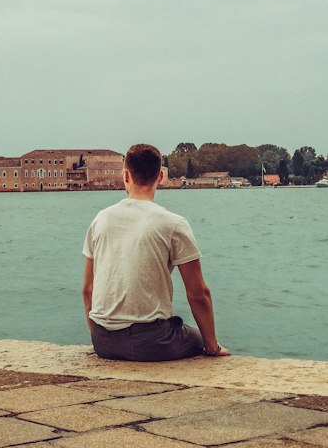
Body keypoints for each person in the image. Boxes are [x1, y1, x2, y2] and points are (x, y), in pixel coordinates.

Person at [82, 143, 230, 361]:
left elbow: (87, 289)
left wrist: (99, 337)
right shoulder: (173, 223)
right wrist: (212, 346)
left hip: (103, 341)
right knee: (197, 338)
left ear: (125, 175)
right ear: (160, 176)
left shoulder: (100, 219)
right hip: (151, 342)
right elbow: (198, 293)